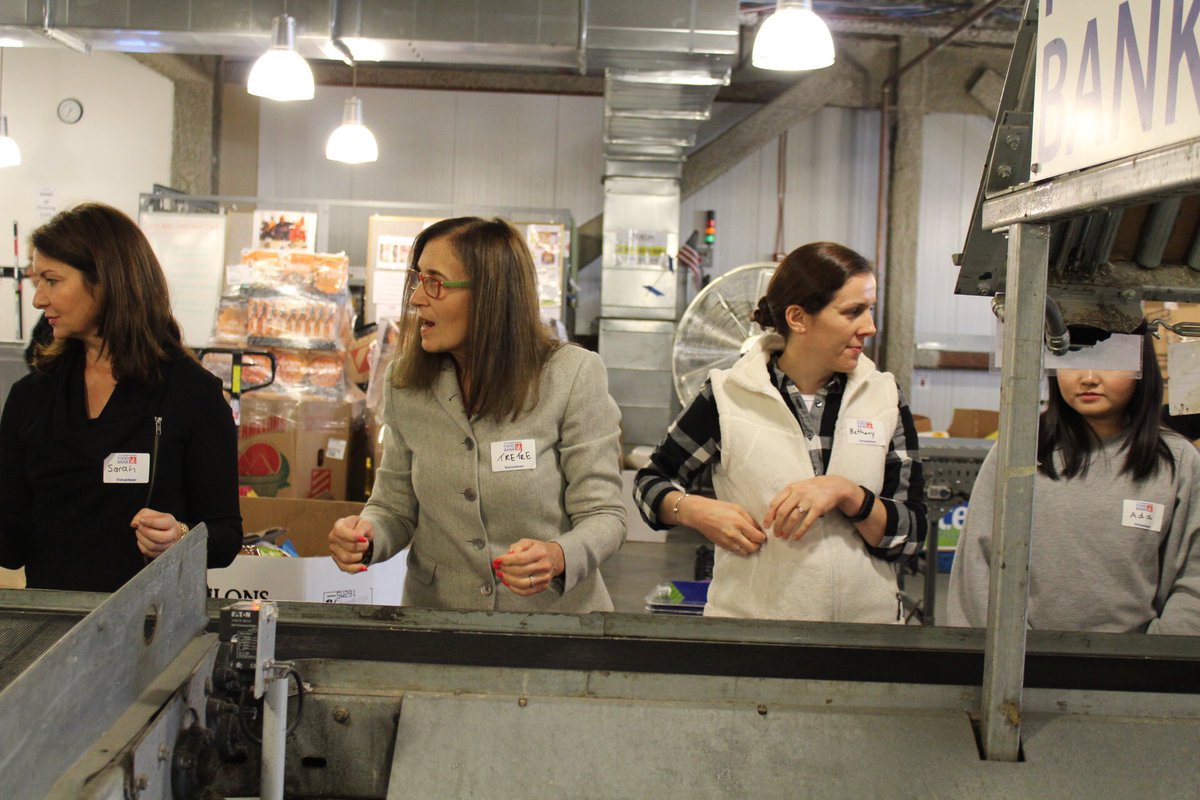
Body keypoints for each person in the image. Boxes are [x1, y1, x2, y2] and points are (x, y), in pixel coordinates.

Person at [328, 217, 625, 611]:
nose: (417, 298)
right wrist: (365, 537)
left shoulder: (571, 375)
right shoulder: (405, 383)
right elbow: (394, 507)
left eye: (435, 282)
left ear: (491, 295)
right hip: (440, 624)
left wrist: (557, 555)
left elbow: (604, 515)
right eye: (417, 280)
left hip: (555, 626)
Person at [633, 242, 926, 622]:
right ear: (798, 318)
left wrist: (849, 495)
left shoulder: (884, 396)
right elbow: (649, 482)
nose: (869, 327)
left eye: (870, 309)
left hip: (865, 639)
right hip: (753, 639)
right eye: (853, 311)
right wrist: (691, 510)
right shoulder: (728, 395)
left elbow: (913, 533)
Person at [0, 203, 242, 591]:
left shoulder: (191, 394)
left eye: (51, 280)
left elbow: (226, 536)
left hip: (154, 632)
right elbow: (10, 544)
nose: (38, 300)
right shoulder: (30, 399)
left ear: (105, 280)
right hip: (53, 632)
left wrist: (179, 537)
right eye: (36, 282)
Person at [948, 335, 1200, 634]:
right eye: (1074, 361)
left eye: (1108, 363)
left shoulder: (1177, 459)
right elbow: (978, 564)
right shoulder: (1019, 449)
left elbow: (1193, 577)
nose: (1089, 378)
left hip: (1137, 668)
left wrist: (1152, 656)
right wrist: (1012, 656)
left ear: (1141, 368)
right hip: (1021, 666)